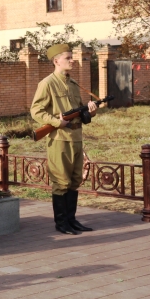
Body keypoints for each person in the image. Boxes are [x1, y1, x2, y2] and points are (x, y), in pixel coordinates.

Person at [30, 43, 98, 235]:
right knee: (61, 182)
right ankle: (61, 223)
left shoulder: (73, 83)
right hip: (59, 139)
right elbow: (36, 110)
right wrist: (55, 121)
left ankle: (72, 220)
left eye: (72, 57)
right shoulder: (47, 83)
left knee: (75, 180)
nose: (72, 60)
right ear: (56, 61)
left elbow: (80, 114)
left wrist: (91, 112)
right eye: (68, 58)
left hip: (76, 137)